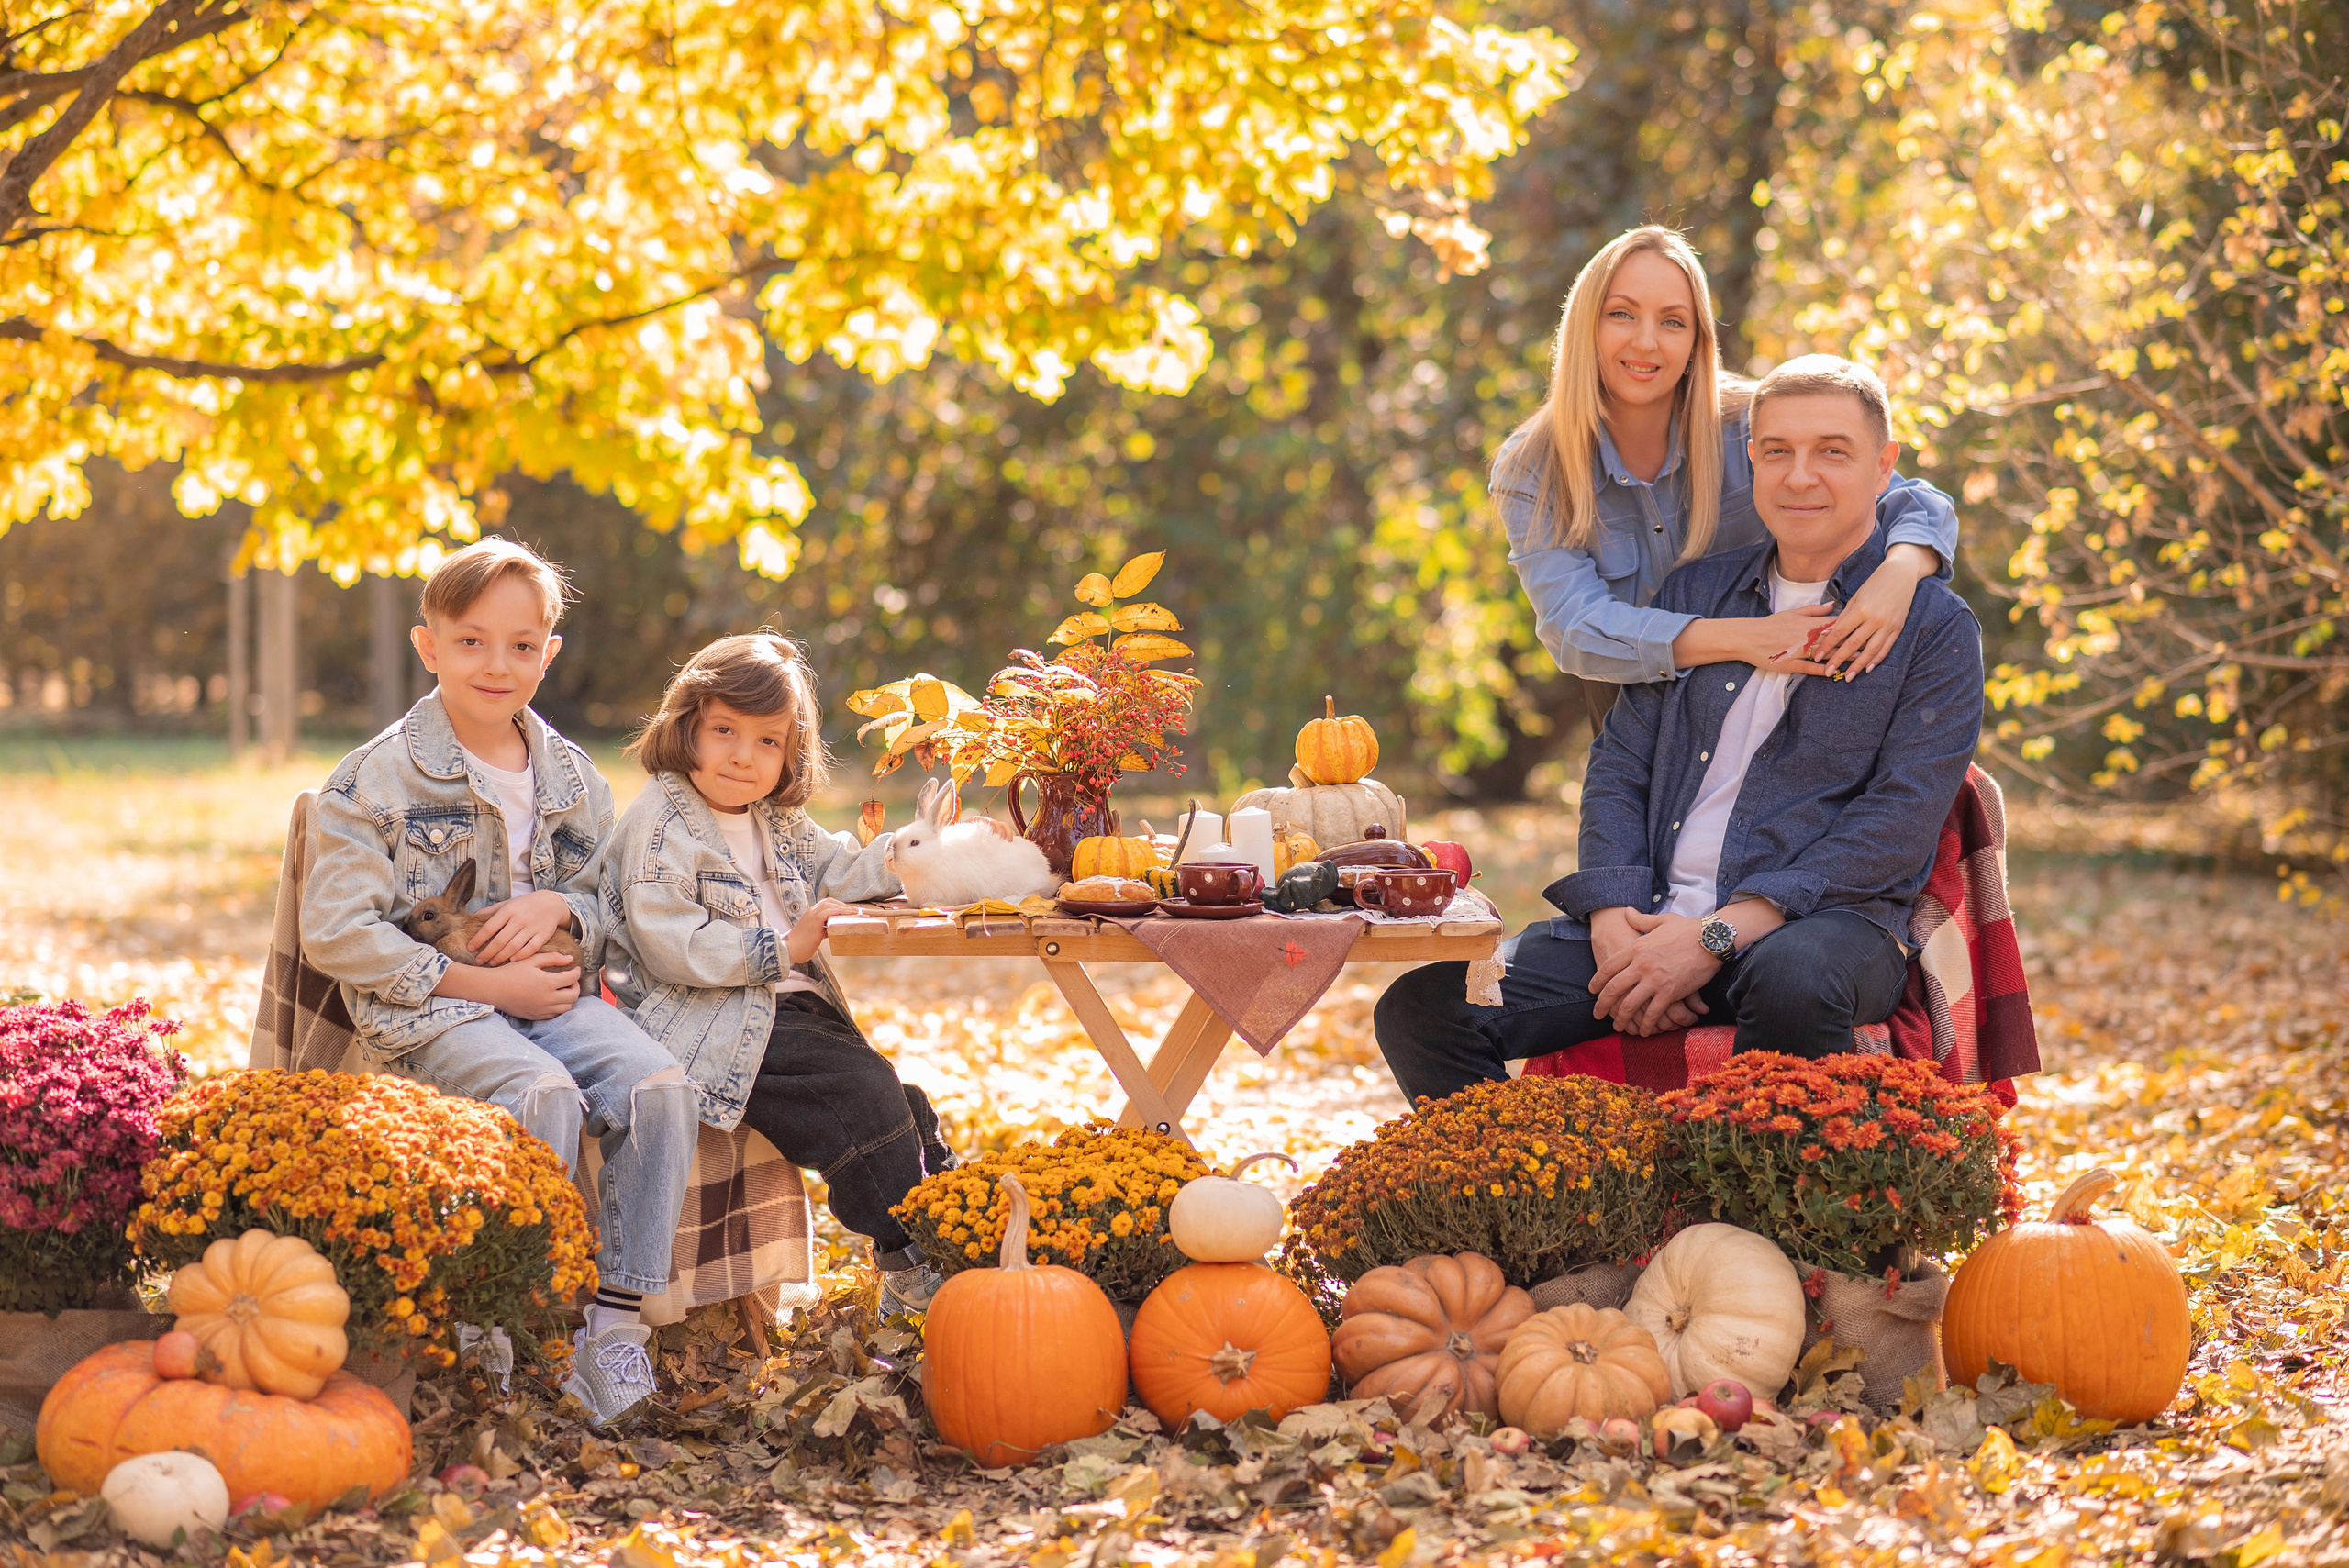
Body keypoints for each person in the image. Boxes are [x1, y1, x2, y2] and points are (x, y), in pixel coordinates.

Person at [1376, 356, 1986, 1105]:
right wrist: (1610, 919)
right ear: (1751, 457)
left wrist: (1713, 939)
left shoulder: (1932, 628)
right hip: (1654, 913)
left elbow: (1894, 824)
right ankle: (1550, 1204)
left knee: (1797, 980)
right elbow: (1620, 765)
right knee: (1423, 1009)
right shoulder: (1699, 589)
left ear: (1883, 465)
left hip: (1821, 929)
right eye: (1778, 450)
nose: (1800, 476)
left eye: (1833, 451)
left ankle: (1751, 1221)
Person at [301, 538, 696, 1426]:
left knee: (661, 1086)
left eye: (523, 645)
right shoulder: (376, 778)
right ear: (428, 644)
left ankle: (611, 1328)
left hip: (552, 994)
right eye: (471, 640)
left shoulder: (571, 776)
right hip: (435, 1008)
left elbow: (612, 902)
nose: (497, 663)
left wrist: (562, 905)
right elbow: (336, 930)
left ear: (549, 653)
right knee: (541, 1092)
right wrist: (488, 986)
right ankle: (496, 1329)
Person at [601, 634, 962, 1319]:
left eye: (768, 741)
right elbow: (669, 941)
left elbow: (840, 869)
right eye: (725, 730)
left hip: (789, 1009)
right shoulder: (660, 822)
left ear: (789, 754)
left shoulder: (775, 819)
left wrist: (915, 853)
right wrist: (782, 947)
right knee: (861, 1092)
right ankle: (908, 1258)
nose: (743, 754)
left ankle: (953, 1229)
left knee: (899, 1099)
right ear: (687, 728)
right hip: (713, 1019)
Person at [1496, 226, 1962, 722]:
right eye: (1621, 314)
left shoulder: (1751, 423)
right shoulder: (1533, 468)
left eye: (1673, 321)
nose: (1647, 341)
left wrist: (1901, 571)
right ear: (1585, 324)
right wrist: (1747, 637)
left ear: (1698, 338)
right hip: (1634, 713)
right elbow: (1576, 629)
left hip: (1790, 690)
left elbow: (1904, 495)